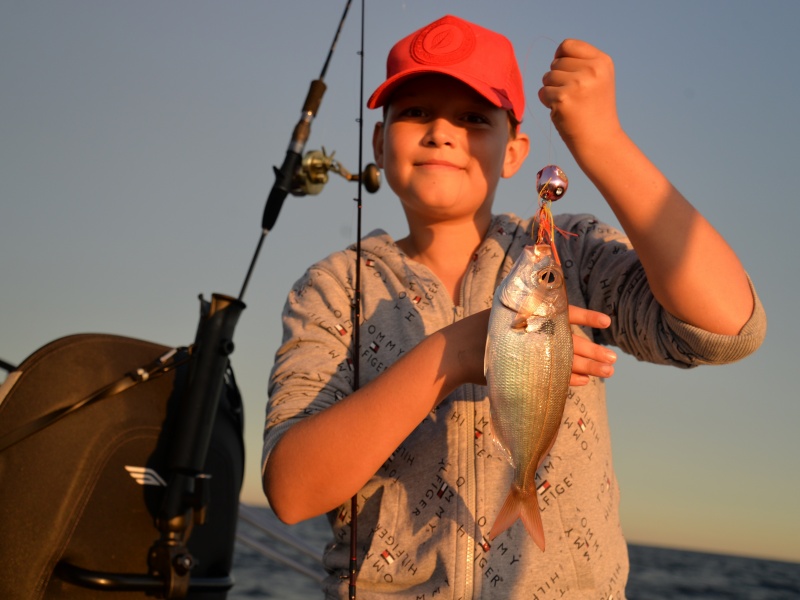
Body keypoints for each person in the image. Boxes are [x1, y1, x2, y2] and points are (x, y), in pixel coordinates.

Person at [262, 15, 766, 599]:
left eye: (475, 118)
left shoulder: (568, 252)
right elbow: (292, 491)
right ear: (379, 142)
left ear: (515, 150)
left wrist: (603, 142)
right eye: (414, 112)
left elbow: (728, 328)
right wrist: (452, 354)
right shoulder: (332, 288)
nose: (442, 132)